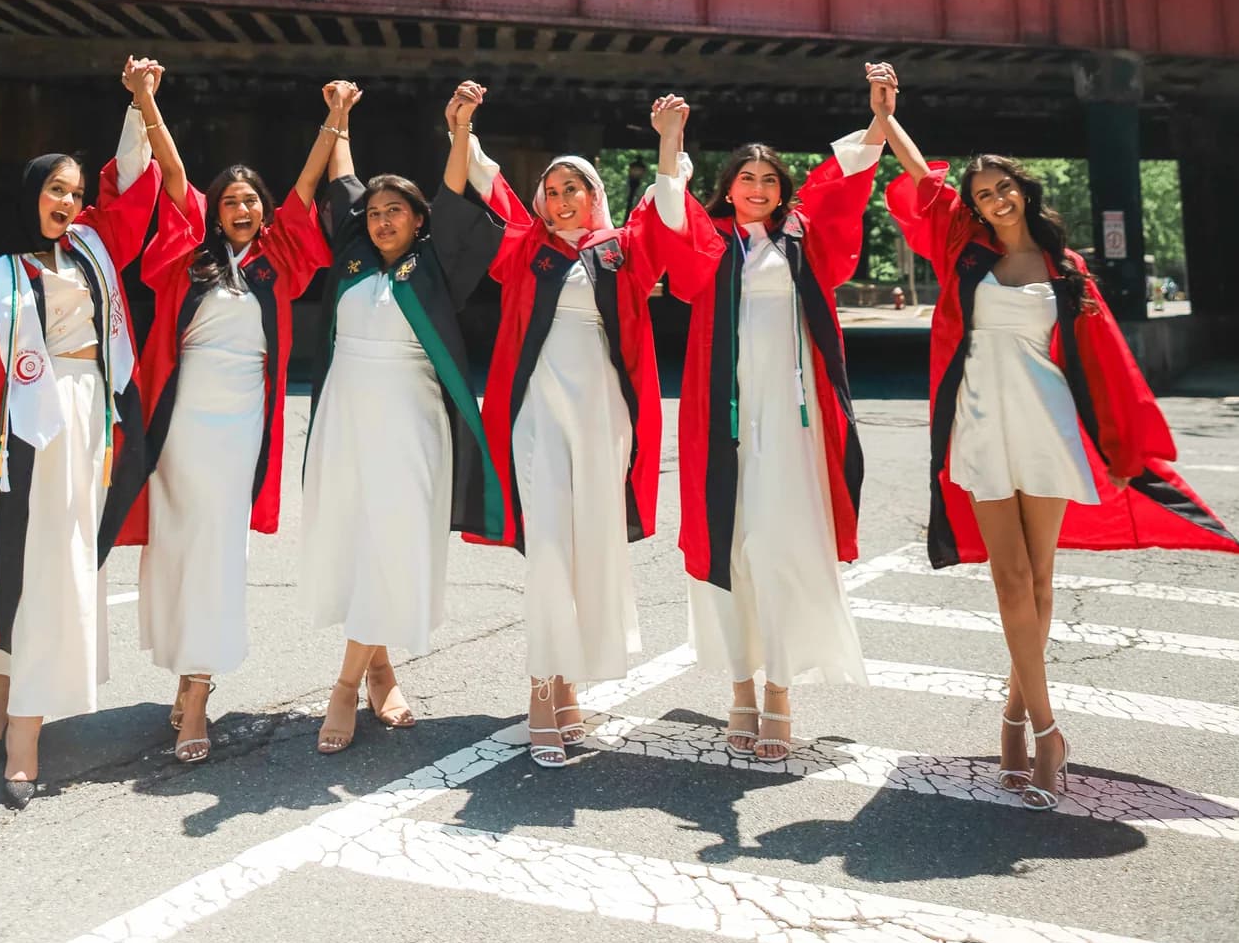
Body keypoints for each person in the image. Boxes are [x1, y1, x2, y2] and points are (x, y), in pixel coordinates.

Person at [872, 60, 1238, 812]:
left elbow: (1106, 365)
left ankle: (1012, 711)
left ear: (1024, 190)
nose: (991, 198)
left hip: (1044, 427)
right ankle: (1044, 728)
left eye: (1001, 187)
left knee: (1039, 582)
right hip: (978, 425)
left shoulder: (1065, 269)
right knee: (1007, 580)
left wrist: (1126, 439)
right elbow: (920, 178)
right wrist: (884, 112)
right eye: (980, 194)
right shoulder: (962, 252)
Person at [0, 57, 172, 807]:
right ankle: (16, 720)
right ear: (31, 196)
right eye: (56, 189)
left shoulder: (91, 246)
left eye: (76, 192)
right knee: (19, 565)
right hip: (26, 430)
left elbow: (132, 184)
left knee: (57, 564)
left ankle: (9, 705)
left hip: (88, 419)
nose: (69, 200)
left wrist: (140, 103)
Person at [461, 91, 718, 768]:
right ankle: (541, 694)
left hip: (604, 416)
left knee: (588, 550)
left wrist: (668, 137)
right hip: (538, 413)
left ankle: (568, 690)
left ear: (594, 194)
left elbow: (668, 210)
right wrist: (463, 129)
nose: (560, 198)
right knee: (548, 545)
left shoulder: (622, 251)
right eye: (551, 189)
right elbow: (487, 185)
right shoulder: (525, 249)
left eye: (572, 186)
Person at [110, 79, 349, 763]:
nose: (241, 207)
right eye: (229, 200)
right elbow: (177, 175)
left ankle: (198, 691)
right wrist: (146, 101)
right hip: (181, 422)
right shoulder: (189, 253)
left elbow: (306, 190)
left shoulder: (278, 259)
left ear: (262, 211)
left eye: (251, 200)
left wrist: (332, 120)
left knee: (220, 551)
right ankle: (183, 679)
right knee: (180, 545)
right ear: (214, 212)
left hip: (243, 419)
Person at [641, 115, 885, 760]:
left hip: (791, 419)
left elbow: (846, 187)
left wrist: (878, 120)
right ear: (728, 187)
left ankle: (780, 689)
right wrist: (671, 139)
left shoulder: (800, 238)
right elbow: (671, 212)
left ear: (782, 189)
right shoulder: (714, 239)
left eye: (768, 179)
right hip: (724, 417)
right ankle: (741, 688)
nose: (757, 187)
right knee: (732, 544)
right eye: (746, 178)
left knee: (781, 545)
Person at [301, 81, 505, 753]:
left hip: (412, 425)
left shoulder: (433, 265)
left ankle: (342, 687)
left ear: (418, 221)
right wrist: (337, 118)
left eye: (398, 211)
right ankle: (380, 669)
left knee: (394, 541)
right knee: (360, 543)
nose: (384, 219)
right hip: (347, 420)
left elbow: (452, 196)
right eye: (377, 212)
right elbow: (343, 177)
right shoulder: (353, 258)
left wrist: (460, 130)